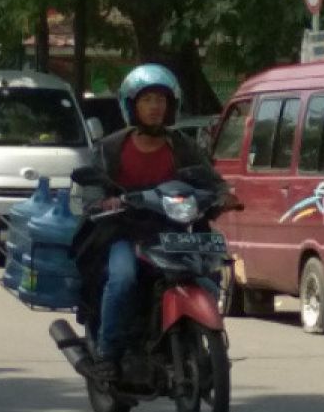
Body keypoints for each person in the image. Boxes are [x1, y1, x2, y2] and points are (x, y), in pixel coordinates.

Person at [88, 64, 226, 381]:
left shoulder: (182, 146)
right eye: (148, 99)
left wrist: (222, 195)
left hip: (174, 235)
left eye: (161, 100)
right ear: (131, 105)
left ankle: (196, 342)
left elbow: (211, 181)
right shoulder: (112, 147)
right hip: (126, 233)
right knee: (123, 279)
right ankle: (108, 354)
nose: (155, 107)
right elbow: (92, 187)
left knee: (207, 277)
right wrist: (102, 200)